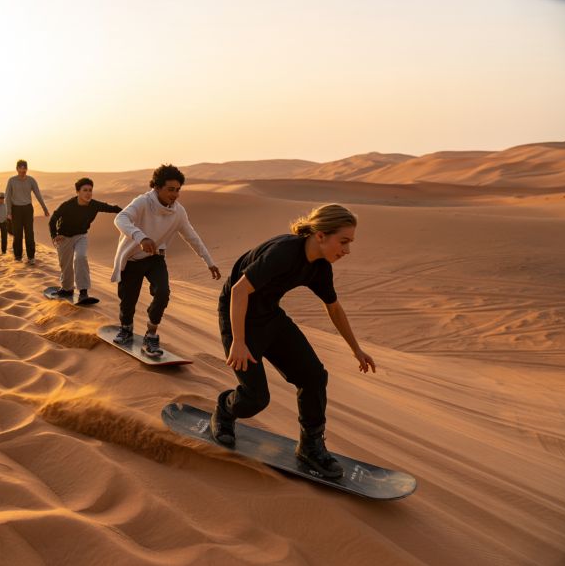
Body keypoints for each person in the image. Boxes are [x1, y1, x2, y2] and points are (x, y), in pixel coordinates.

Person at [209, 203, 376, 479]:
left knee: (313, 376)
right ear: (320, 235)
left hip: (270, 316)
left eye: (350, 243)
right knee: (255, 398)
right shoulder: (284, 252)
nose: (347, 250)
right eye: (343, 241)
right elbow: (239, 291)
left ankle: (310, 446)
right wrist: (238, 341)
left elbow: (333, 308)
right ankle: (225, 410)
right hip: (238, 316)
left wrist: (356, 349)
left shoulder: (320, 267)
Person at [111, 164, 221, 357]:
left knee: (163, 293)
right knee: (128, 300)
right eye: (171, 189)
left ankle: (151, 335)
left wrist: (209, 262)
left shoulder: (178, 212)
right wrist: (140, 237)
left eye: (178, 190)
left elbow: (192, 237)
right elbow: (121, 219)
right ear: (157, 187)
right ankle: (126, 329)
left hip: (155, 259)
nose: (175, 194)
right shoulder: (143, 202)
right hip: (133, 258)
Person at [49, 177, 122, 299]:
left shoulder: (94, 205)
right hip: (64, 238)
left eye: (90, 190)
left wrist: (127, 213)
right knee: (66, 265)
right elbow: (53, 219)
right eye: (85, 190)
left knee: (81, 258)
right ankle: (67, 289)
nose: (88, 193)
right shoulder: (68, 205)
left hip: (81, 236)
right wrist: (54, 235)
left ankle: (83, 292)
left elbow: (112, 208)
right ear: (78, 192)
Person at [5, 159, 49, 263]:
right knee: (17, 233)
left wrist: (45, 208)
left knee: (29, 233)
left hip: (28, 209)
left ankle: (31, 257)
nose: (23, 170)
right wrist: (9, 212)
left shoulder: (31, 180)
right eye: (20, 168)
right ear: (17, 169)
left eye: (24, 168)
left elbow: (38, 195)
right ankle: (18, 256)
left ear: (27, 169)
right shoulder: (11, 180)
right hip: (16, 209)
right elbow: (7, 197)